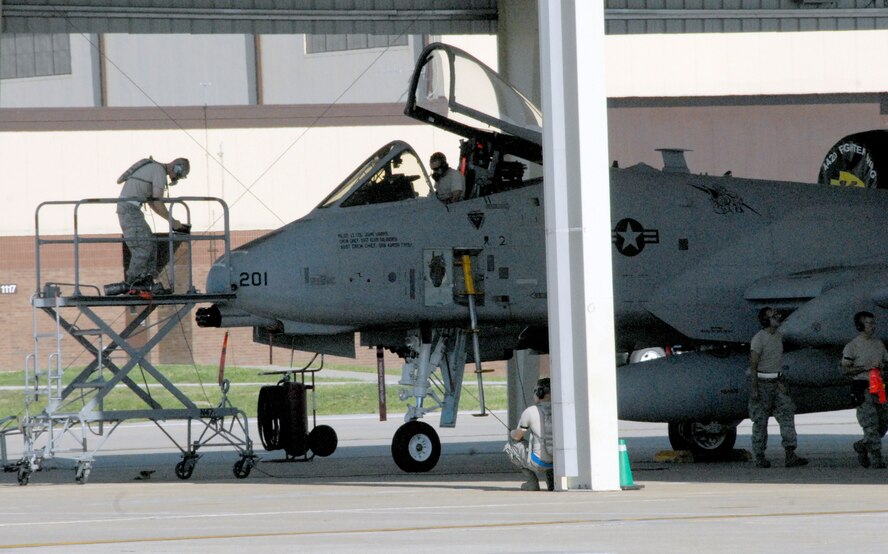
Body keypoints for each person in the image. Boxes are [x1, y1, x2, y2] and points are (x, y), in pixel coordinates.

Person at [109, 157, 190, 294]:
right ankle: (132, 282)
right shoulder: (158, 171)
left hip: (131, 209)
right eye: (178, 175)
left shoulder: (155, 169)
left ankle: (147, 279)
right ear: (176, 168)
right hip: (129, 210)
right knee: (142, 247)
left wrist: (172, 222)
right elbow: (158, 202)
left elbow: (153, 202)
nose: (175, 178)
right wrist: (174, 222)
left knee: (151, 243)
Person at [748, 307, 808, 468]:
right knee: (760, 421)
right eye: (773, 316)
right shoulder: (759, 339)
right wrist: (754, 389)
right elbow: (753, 365)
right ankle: (759, 455)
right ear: (765, 320)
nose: (777, 317)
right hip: (762, 384)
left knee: (787, 416)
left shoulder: (778, 337)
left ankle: (790, 453)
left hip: (777, 382)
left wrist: (781, 381)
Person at [841, 311, 888, 468]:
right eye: (869, 323)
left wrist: (883, 367)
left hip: (879, 386)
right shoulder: (852, 346)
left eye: (873, 323)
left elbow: (886, 362)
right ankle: (876, 458)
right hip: (863, 386)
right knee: (870, 423)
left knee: (883, 422)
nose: (872, 326)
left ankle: (862, 445)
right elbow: (845, 369)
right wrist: (864, 368)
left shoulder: (878, 344)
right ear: (860, 326)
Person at [508, 377, 554, 491]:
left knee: (511, 446)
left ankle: (532, 482)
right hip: (558, 462)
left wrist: (512, 433)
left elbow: (518, 436)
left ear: (540, 393)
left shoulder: (530, 411)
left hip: (538, 462)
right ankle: (552, 482)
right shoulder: (561, 409)